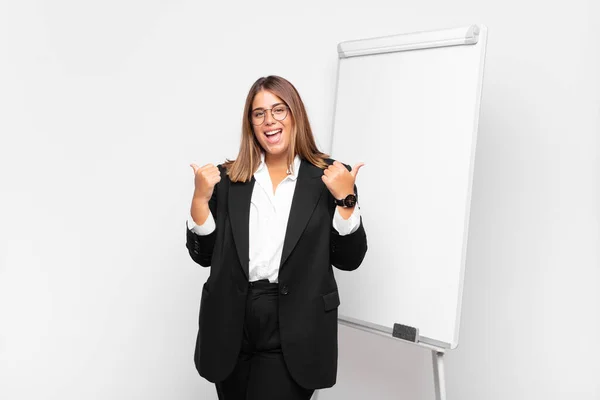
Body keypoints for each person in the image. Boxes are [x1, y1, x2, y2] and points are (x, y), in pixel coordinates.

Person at [185, 75, 367, 400]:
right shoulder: (227, 179)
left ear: (295, 114)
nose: (269, 121)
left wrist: (345, 200)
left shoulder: (331, 176)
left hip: (295, 327)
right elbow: (204, 255)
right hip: (231, 323)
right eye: (259, 113)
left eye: (279, 110)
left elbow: (349, 259)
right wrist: (200, 200)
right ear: (251, 123)